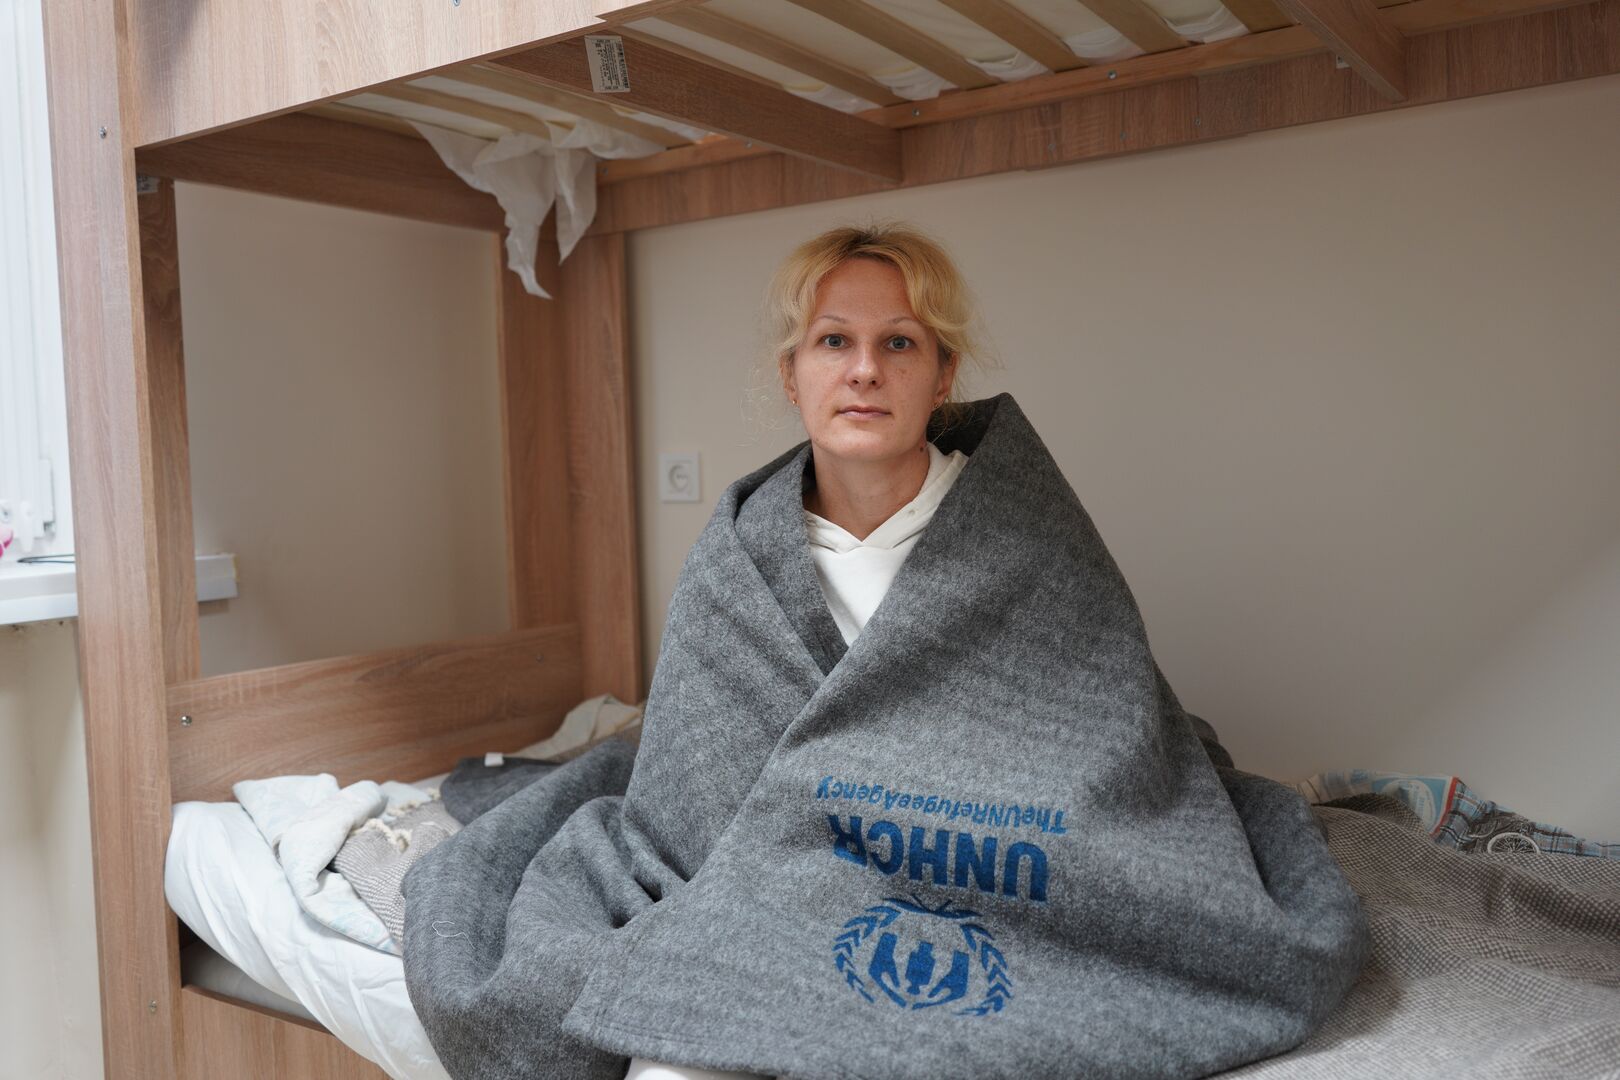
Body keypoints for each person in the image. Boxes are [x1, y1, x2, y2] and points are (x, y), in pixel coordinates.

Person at [623, 223, 989, 1080]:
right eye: (835, 341)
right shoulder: (738, 559)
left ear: (943, 377)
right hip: (768, 894)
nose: (865, 370)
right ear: (792, 375)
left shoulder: (1020, 534)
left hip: (969, 890)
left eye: (898, 342)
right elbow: (694, 788)